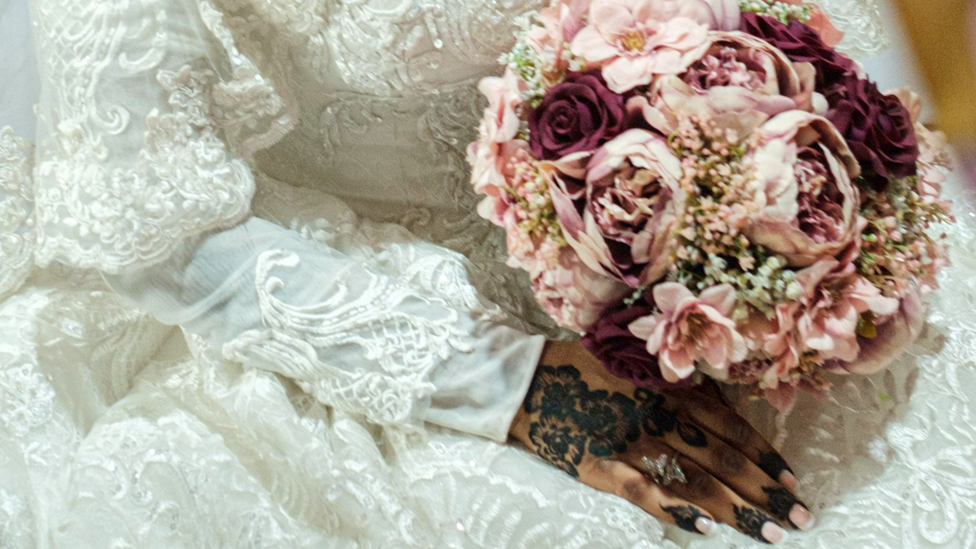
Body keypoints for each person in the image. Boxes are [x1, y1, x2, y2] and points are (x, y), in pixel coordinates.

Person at [0, 0, 973, 547]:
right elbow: (161, 234)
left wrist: (759, 178)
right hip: (364, 296)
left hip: (686, 244)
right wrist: (514, 386)